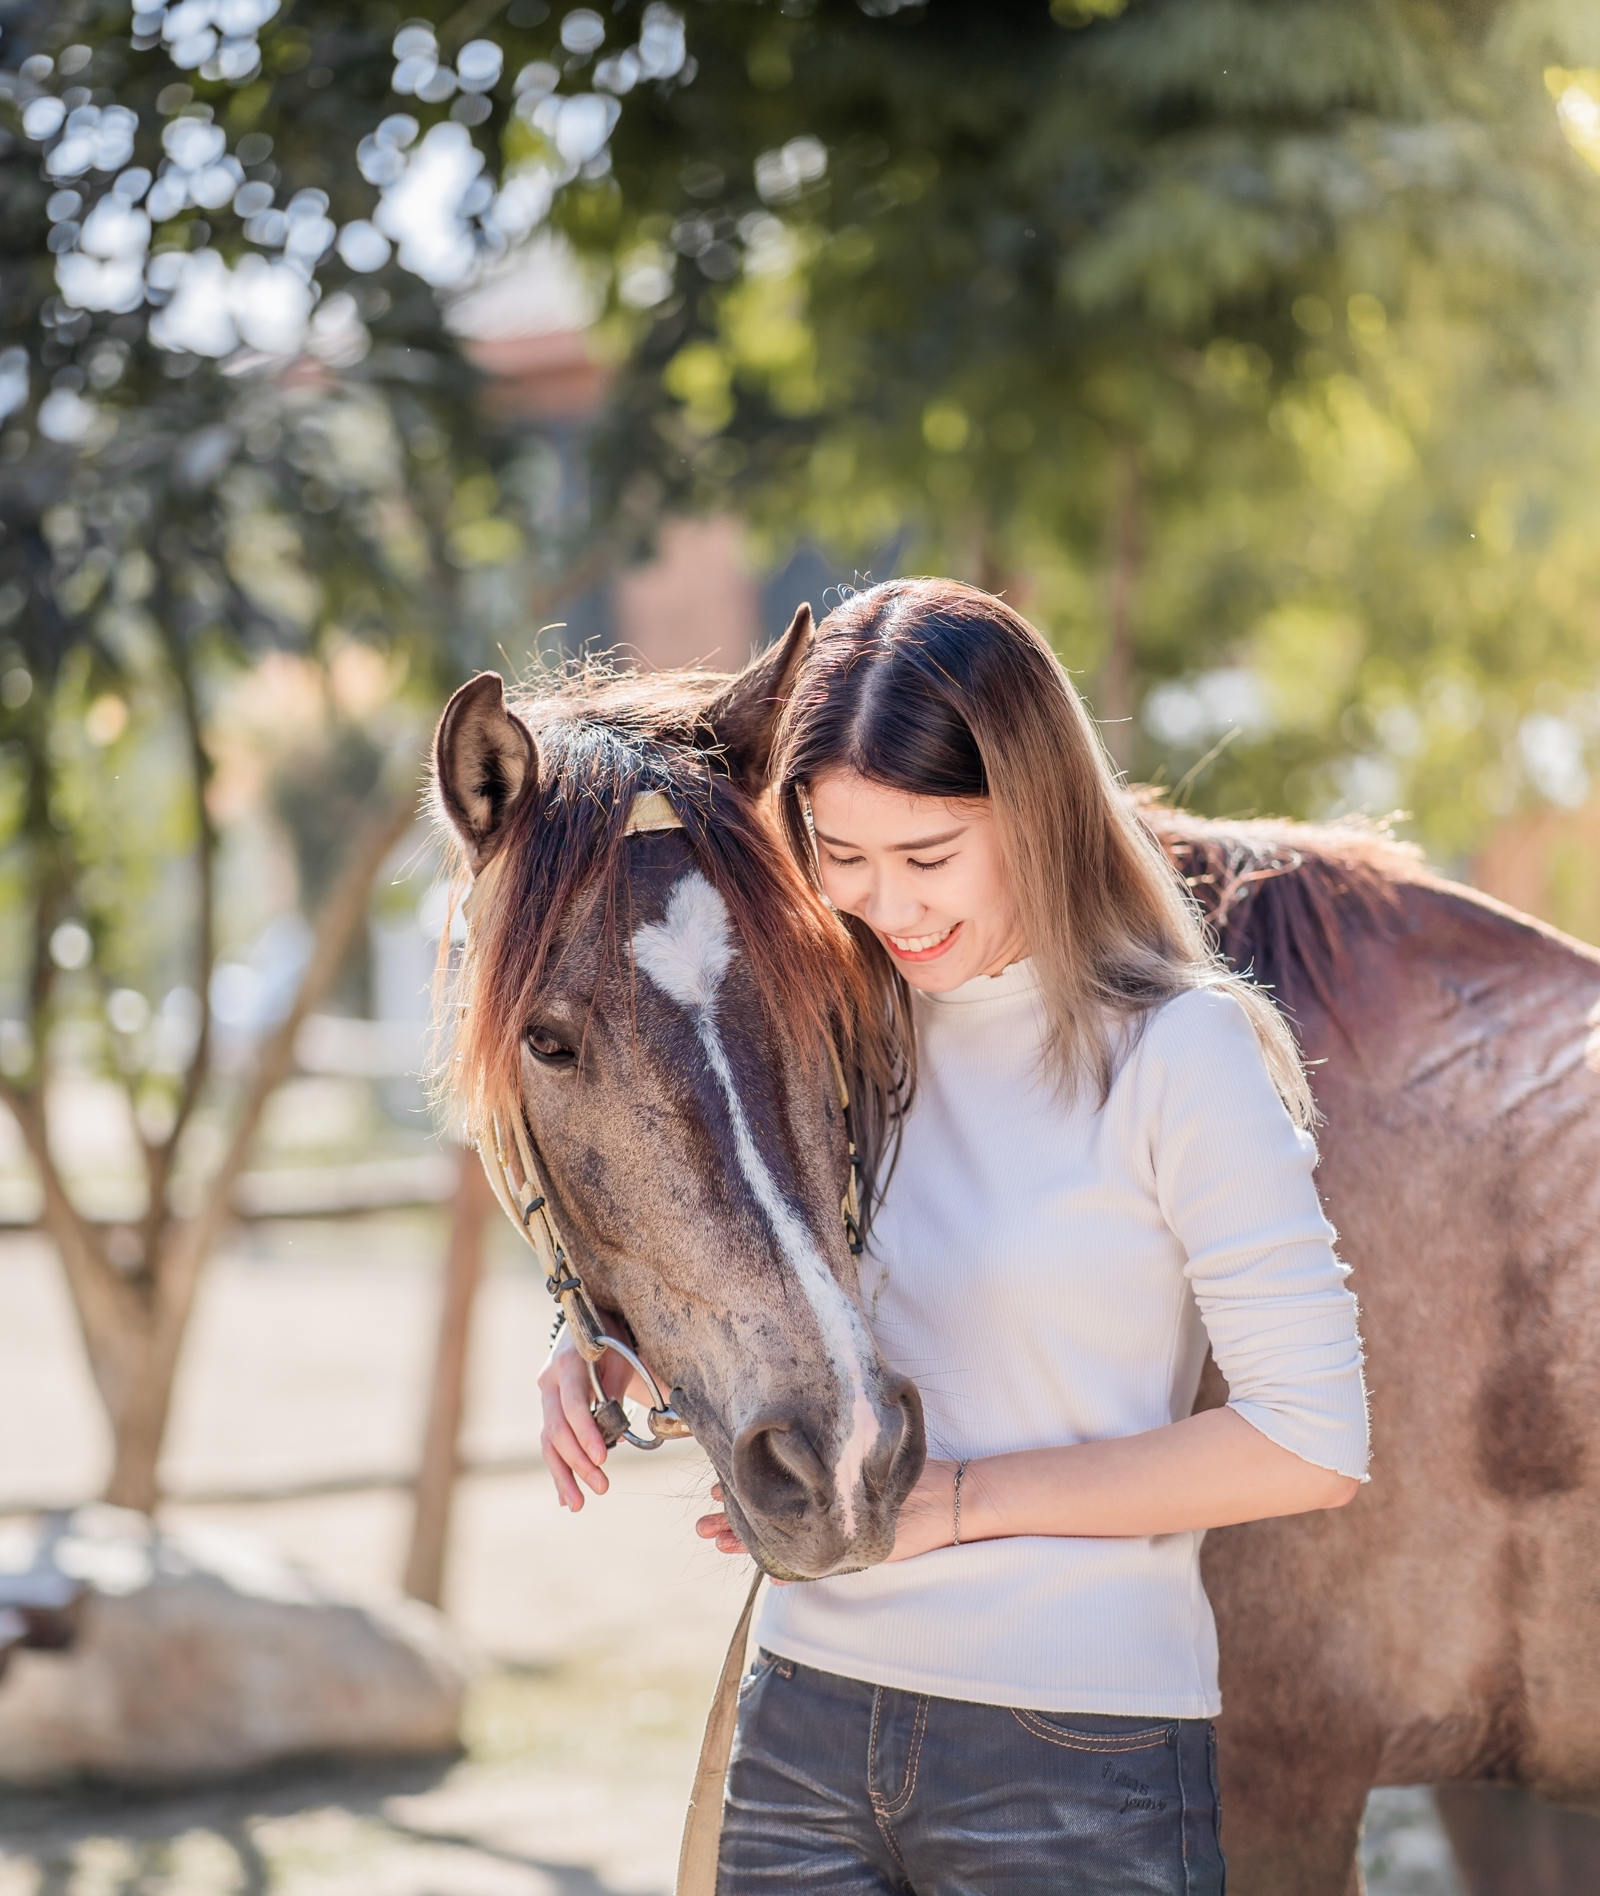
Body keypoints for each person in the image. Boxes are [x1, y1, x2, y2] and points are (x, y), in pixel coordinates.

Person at [540, 580, 1369, 1895]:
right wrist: (604, 1350)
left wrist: (964, 1509)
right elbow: (780, 1280)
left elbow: (1310, 1441)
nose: (887, 906)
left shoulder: (1178, 1055)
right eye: (840, 854)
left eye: (929, 857)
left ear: (1035, 812)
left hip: (1074, 1752)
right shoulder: (828, 1037)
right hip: (804, 1715)